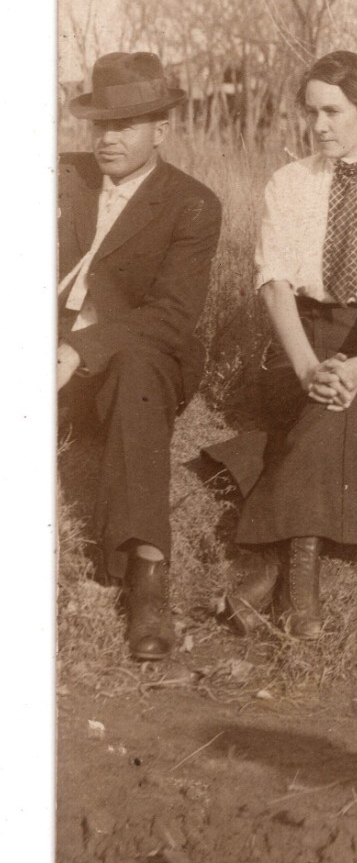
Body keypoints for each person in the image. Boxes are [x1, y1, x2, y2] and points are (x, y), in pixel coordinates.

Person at [204, 50, 357, 639]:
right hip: (298, 338)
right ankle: (301, 587)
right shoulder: (289, 184)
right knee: (328, 404)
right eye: (311, 112)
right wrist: (308, 368)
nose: (319, 125)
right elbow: (275, 283)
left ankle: (272, 565)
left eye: (333, 111)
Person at [58, 51, 222, 660]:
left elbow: (170, 316)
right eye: (101, 124)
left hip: (132, 357)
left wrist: (78, 348)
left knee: (138, 369)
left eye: (126, 126)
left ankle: (147, 579)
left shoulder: (191, 203)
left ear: (161, 130)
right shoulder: (57, 177)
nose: (108, 139)